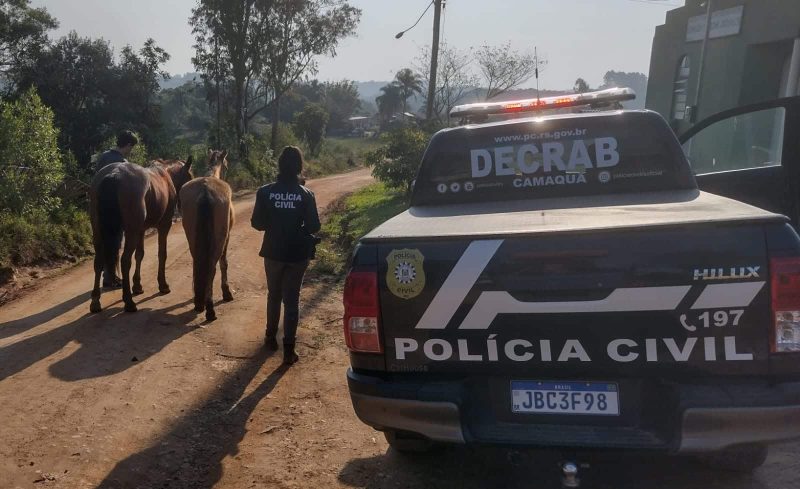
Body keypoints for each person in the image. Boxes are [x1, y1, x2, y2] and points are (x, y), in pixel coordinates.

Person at [251, 146, 321, 365]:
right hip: (298, 254)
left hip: (272, 251)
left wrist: (275, 221)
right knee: (292, 300)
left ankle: (270, 338)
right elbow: (314, 226)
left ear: (279, 165)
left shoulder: (265, 192)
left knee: (274, 295)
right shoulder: (306, 195)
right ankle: (289, 350)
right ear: (299, 167)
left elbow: (257, 223)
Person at [94, 130, 139, 288]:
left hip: (99, 205)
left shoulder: (103, 157)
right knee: (115, 239)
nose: (130, 151)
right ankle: (110, 276)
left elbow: (96, 178)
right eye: (131, 147)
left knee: (102, 239)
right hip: (116, 208)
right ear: (127, 145)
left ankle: (106, 275)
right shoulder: (123, 164)